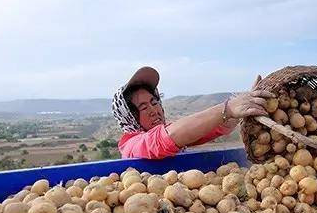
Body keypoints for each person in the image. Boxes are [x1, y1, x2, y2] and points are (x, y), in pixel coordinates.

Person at [111, 66, 274, 159]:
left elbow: (214, 128)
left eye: (154, 102)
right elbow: (163, 140)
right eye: (144, 107)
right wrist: (228, 108)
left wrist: (244, 107)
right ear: (129, 116)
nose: (154, 110)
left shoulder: (176, 133)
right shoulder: (131, 146)